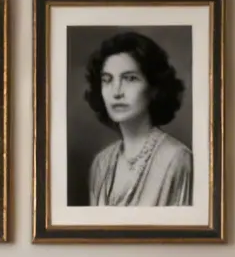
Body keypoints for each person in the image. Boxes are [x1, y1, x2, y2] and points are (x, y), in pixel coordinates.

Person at [81, 31, 194, 207]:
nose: (116, 92)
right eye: (107, 80)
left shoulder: (177, 159)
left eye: (130, 79)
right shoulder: (101, 164)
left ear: (154, 88)